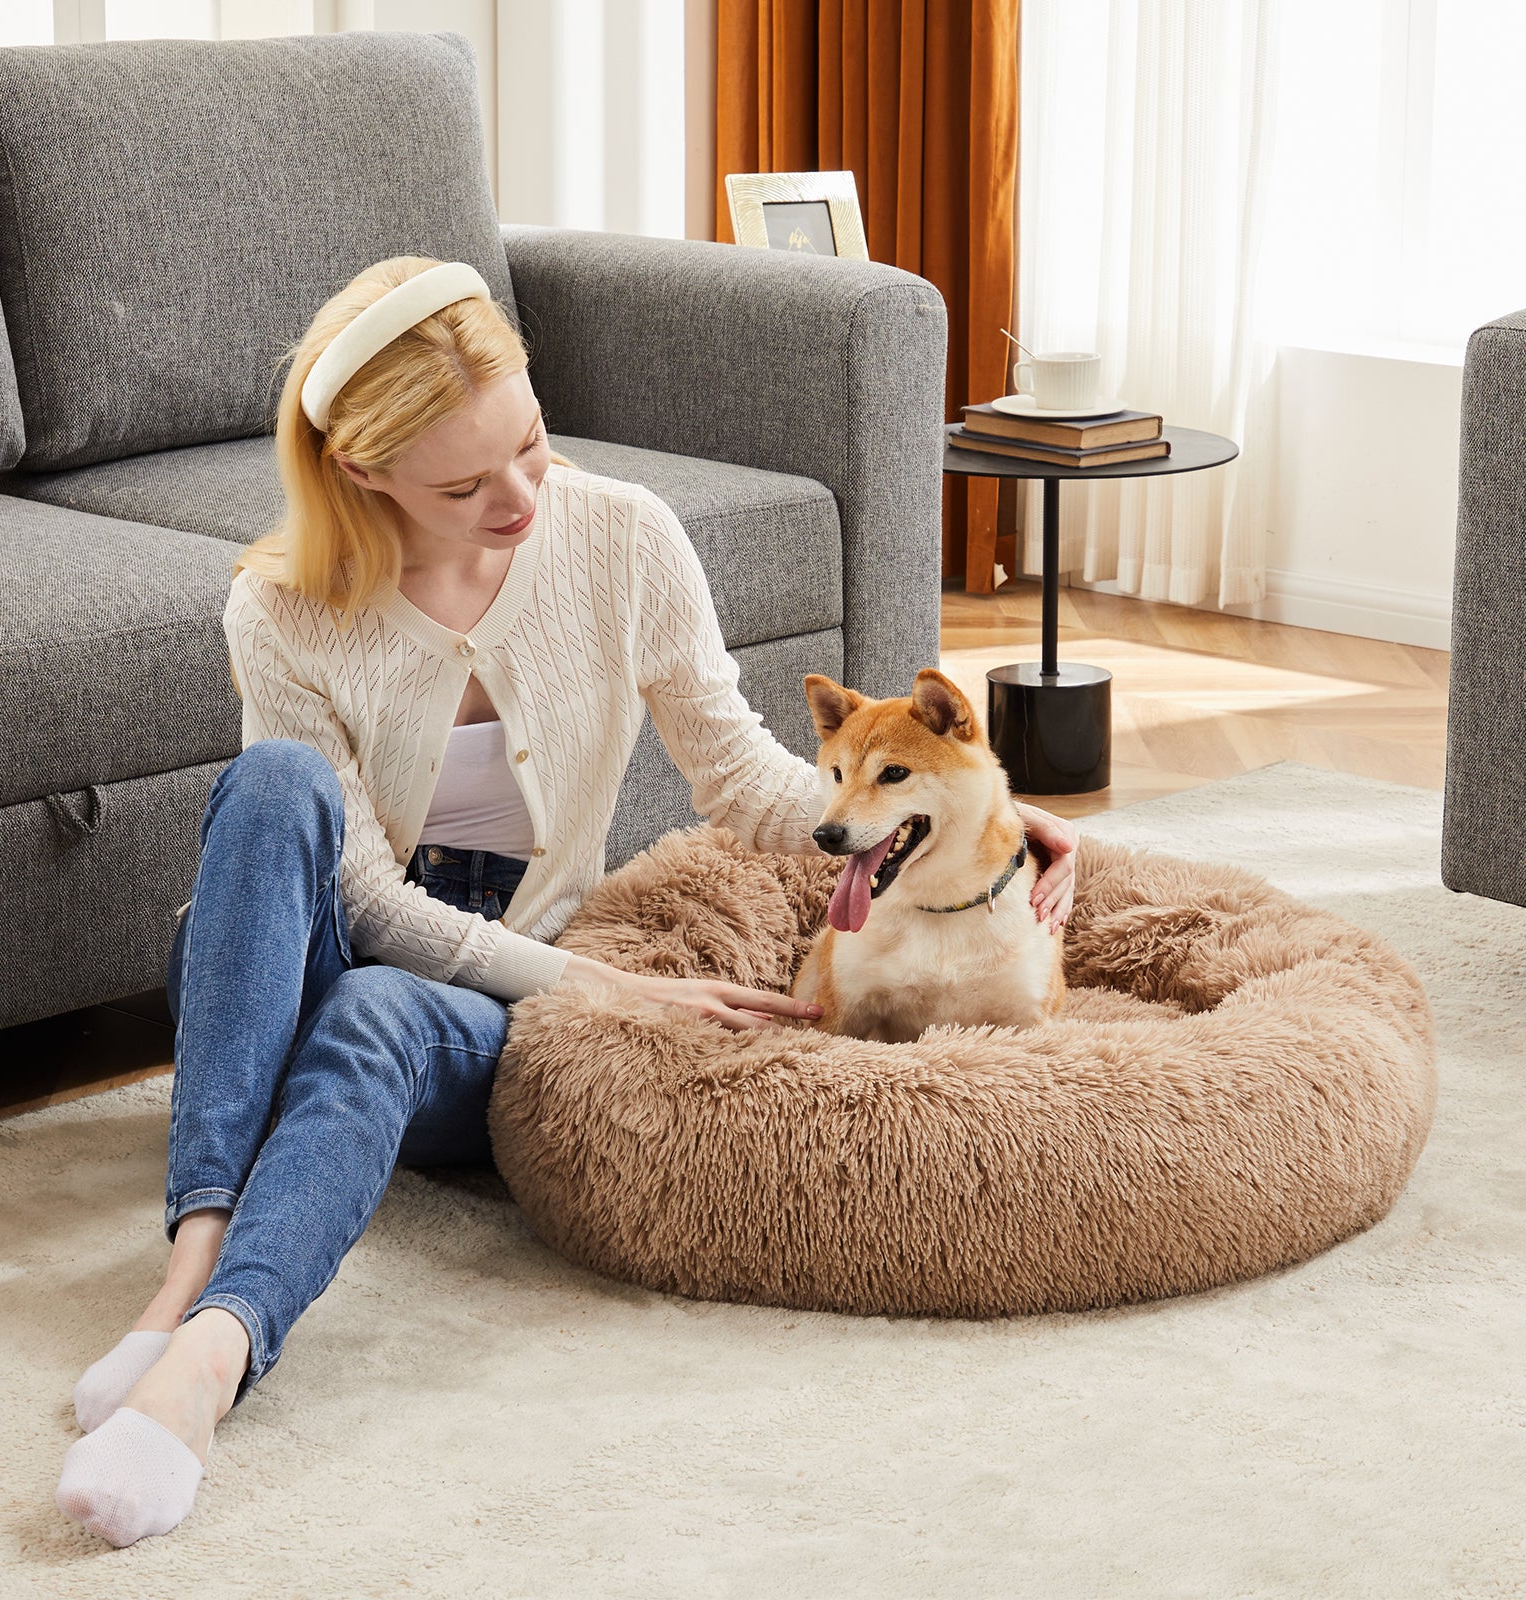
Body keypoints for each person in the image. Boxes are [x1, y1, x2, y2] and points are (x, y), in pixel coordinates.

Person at [54, 256, 1078, 1546]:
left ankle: (204, 1363)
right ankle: (188, 1266)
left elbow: (742, 775)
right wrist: (612, 986)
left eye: (531, 447)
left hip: (467, 1011)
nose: (524, 497)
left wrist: (981, 817)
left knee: (378, 1015)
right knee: (269, 792)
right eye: (466, 484)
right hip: (339, 941)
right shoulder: (281, 608)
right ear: (366, 476)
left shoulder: (625, 535)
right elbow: (364, 903)